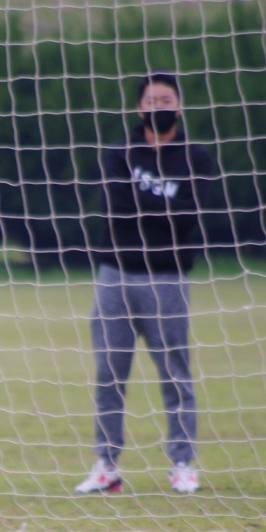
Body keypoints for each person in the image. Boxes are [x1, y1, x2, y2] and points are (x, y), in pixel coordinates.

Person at [75, 72, 215, 495]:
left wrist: (148, 205)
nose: (159, 106)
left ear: (179, 106)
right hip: (115, 275)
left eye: (166, 99)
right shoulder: (119, 153)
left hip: (168, 277)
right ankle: (106, 464)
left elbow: (190, 216)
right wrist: (166, 206)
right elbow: (117, 207)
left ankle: (182, 463)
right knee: (109, 373)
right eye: (151, 100)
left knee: (175, 373)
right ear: (139, 108)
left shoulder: (196, 157)